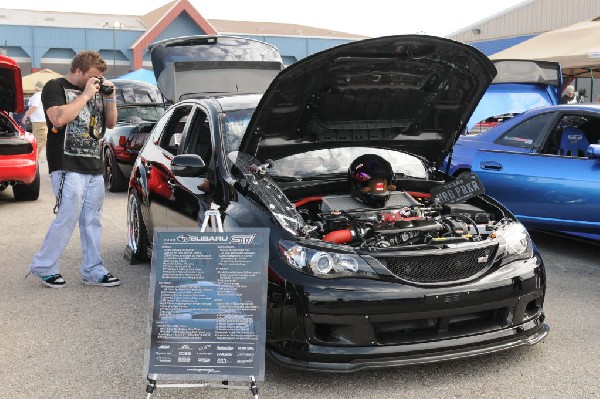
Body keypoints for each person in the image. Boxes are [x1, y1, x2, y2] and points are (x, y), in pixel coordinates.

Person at [27, 51, 120, 288]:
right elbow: (58, 119)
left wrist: (111, 98)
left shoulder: (97, 90)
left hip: (93, 165)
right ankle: (44, 265)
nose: (96, 81)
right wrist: (86, 94)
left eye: (99, 78)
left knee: (92, 220)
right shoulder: (54, 86)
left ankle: (93, 270)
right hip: (66, 163)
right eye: (93, 76)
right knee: (67, 216)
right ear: (78, 70)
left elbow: (110, 123)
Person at [23, 81, 48, 157]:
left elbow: (34, 107)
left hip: (39, 121)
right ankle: (36, 155)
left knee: (40, 140)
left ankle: (36, 155)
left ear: (35, 88)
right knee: (39, 140)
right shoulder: (39, 95)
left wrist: (25, 116)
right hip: (39, 121)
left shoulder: (37, 96)